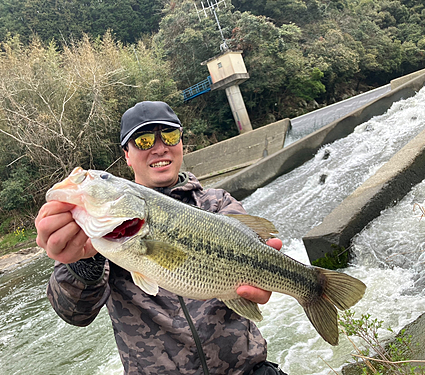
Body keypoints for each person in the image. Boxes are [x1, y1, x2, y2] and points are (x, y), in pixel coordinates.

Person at [35, 101, 287, 374]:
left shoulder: (218, 203)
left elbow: (257, 265)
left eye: (168, 136)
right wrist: (83, 263)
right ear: (127, 155)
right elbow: (74, 313)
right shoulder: (97, 228)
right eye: (143, 140)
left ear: (181, 143)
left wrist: (271, 277)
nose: (159, 147)